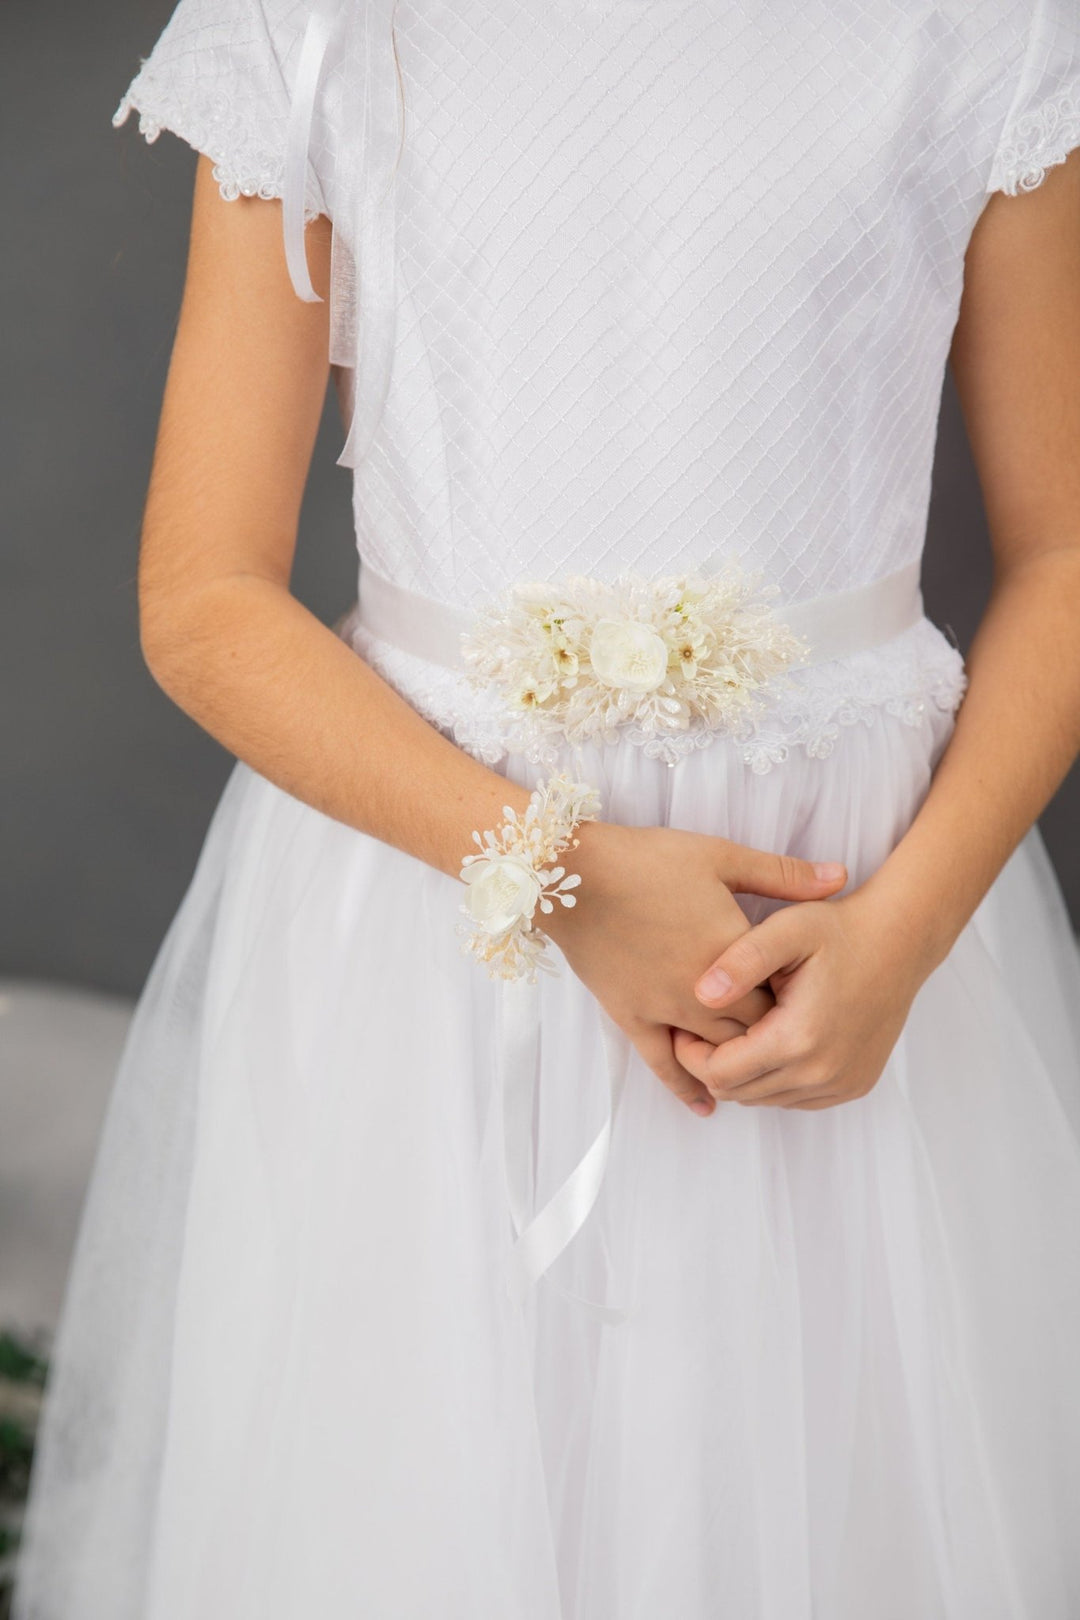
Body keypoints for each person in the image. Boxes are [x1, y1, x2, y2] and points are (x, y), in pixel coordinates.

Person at [13, 0, 1080, 1614]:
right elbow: (204, 596)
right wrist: (560, 874)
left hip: (848, 937)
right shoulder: (311, 27)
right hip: (444, 912)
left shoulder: (982, 33)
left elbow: (1065, 553)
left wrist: (908, 931)